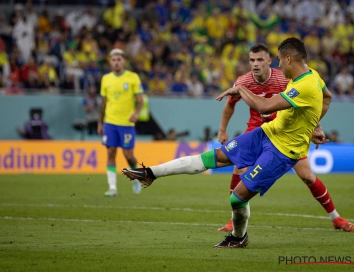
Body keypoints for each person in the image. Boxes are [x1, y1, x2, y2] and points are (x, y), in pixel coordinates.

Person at [122, 38, 340, 248]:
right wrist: (314, 125)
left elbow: (264, 106)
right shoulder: (312, 76)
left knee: (237, 198)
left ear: (289, 58)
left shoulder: (306, 85)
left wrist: (241, 90)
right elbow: (327, 97)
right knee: (212, 157)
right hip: (266, 133)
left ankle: (238, 237)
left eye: (280, 60)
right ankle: (151, 173)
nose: (279, 65)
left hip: (282, 151)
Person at [216, 43, 353, 233]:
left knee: (307, 176)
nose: (255, 64)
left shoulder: (284, 77)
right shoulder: (243, 82)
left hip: (286, 132)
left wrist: (315, 126)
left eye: (260, 60)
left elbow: (311, 102)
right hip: (257, 130)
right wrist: (222, 129)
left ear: (270, 61)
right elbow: (230, 104)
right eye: (252, 60)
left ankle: (336, 218)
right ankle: (234, 220)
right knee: (240, 166)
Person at [98, 49, 144, 197]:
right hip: (110, 122)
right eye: (113, 60)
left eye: (119, 59)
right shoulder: (106, 79)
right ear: (110, 62)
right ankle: (112, 188)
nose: (116, 62)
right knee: (111, 152)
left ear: (123, 61)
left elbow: (140, 100)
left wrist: (136, 113)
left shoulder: (133, 77)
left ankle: (135, 177)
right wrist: (100, 122)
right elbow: (103, 103)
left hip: (126, 124)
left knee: (128, 155)